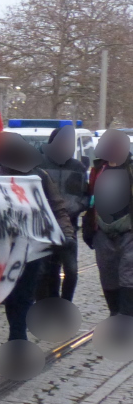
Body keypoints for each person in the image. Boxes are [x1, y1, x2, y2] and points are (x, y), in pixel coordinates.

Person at [0, 132, 74, 342]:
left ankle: (18, 336)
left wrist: (66, 234)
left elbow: (56, 207)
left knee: (24, 293)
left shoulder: (39, 176)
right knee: (10, 293)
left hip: (32, 246)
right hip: (1, 246)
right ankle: (17, 332)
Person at [86, 129, 133, 317]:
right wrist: (89, 227)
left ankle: (126, 317)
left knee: (128, 276)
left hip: (128, 231)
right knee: (108, 277)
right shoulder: (98, 169)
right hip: (102, 232)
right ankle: (115, 313)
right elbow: (91, 198)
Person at [40, 125, 87, 301]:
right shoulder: (40, 164)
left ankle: (66, 301)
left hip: (70, 226)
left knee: (71, 270)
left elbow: (84, 195)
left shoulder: (78, 167)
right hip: (45, 227)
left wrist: (76, 208)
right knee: (49, 271)